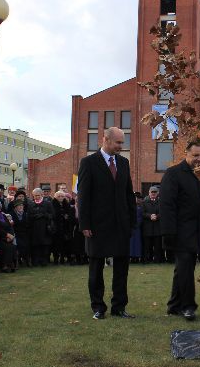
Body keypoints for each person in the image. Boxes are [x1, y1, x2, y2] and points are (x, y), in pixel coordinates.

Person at [78, 127, 137, 320]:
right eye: (118, 142)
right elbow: (84, 196)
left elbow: (129, 194)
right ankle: (98, 307)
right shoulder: (88, 163)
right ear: (105, 140)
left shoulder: (123, 163)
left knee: (122, 269)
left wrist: (132, 221)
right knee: (96, 268)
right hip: (97, 226)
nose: (122, 146)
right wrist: (84, 224)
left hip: (121, 225)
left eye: (122, 142)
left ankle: (119, 307)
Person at [160, 139, 200, 321]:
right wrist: (168, 232)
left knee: (183, 268)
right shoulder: (173, 174)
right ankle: (188, 306)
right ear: (186, 154)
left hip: (197, 232)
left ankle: (174, 304)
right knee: (186, 267)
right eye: (196, 155)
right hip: (179, 232)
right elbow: (166, 205)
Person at [27, 188, 54, 267]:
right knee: (35, 246)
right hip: (34, 229)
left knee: (44, 245)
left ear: (42, 195)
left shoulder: (47, 203)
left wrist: (44, 215)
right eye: (35, 196)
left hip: (45, 228)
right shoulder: (31, 204)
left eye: (38, 195)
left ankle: (44, 261)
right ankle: (35, 261)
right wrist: (35, 216)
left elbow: (52, 215)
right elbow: (29, 216)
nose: (36, 197)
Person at [141, 186, 162, 264]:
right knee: (147, 246)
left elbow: (162, 212)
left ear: (157, 193)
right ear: (149, 193)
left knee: (157, 246)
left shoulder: (160, 202)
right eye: (152, 192)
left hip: (157, 227)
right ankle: (146, 260)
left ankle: (157, 260)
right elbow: (142, 213)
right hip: (147, 227)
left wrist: (157, 216)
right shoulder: (144, 202)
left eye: (155, 192)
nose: (153, 193)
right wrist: (150, 216)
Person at [9, 199, 30, 267]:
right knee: (17, 245)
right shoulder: (11, 214)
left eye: (22, 205)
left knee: (27, 244)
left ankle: (27, 260)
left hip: (25, 233)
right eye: (19, 205)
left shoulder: (26, 214)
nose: (21, 207)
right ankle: (16, 261)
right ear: (15, 207)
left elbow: (28, 225)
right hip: (15, 233)